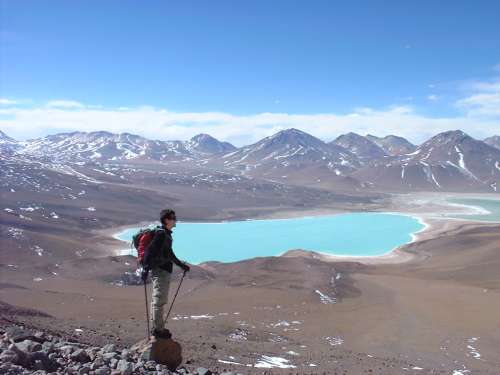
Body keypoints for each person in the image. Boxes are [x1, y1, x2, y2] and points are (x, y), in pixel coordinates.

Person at [141, 209, 190, 339]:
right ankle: (158, 329)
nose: (175, 220)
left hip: (162, 270)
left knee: (159, 300)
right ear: (167, 220)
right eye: (173, 218)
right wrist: (145, 269)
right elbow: (150, 251)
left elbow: (169, 254)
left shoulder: (165, 234)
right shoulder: (161, 235)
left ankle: (158, 327)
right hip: (161, 271)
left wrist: (181, 265)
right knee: (159, 300)